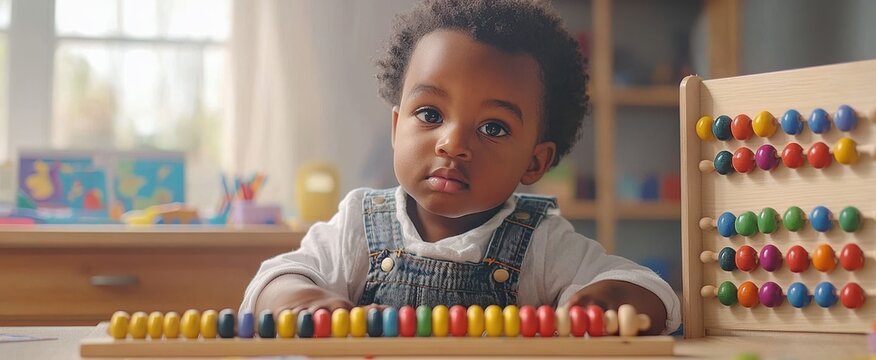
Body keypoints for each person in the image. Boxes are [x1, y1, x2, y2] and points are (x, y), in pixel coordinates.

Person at [240, 0, 680, 335]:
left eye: (493, 127)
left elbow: (651, 290)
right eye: (430, 115)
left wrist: (605, 302)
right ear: (396, 128)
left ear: (535, 161)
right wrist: (303, 300)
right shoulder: (358, 224)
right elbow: (272, 281)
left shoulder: (540, 242)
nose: (453, 144)